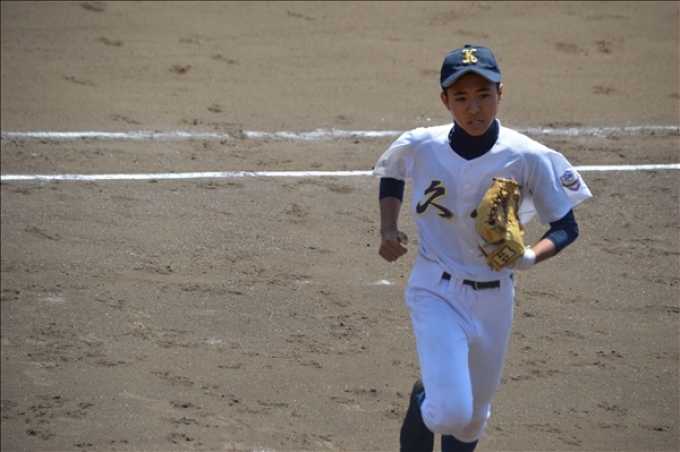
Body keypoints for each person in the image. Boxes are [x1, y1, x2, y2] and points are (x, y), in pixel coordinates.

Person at [372, 44, 593, 451]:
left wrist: (529, 257)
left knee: (472, 420)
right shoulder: (422, 145)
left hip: (496, 299)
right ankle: (424, 397)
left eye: (483, 95)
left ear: (500, 93)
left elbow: (566, 225)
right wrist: (389, 227)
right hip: (435, 288)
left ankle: (435, 397)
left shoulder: (526, 156)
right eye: (461, 97)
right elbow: (393, 172)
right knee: (450, 413)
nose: (474, 108)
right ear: (445, 101)